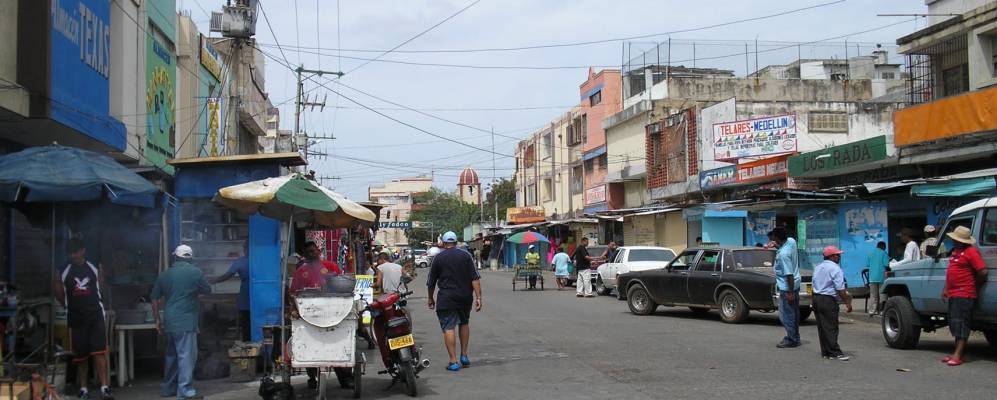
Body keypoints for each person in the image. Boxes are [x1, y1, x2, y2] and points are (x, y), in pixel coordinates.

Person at [54, 239, 113, 400]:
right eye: (70, 252)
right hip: (76, 318)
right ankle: (83, 388)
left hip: (96, 316)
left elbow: (102, 286)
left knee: (99, 353)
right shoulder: (63, 270)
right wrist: (67, 305)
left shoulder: (94, 267)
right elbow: (58, 292)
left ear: (83, 251)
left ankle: (105, 388)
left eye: (76, 251)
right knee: (81, 357)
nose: (73, 255)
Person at [289, 241, 353, 389]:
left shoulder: (331, 266)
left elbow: (342, 285)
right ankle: (312, 377)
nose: (311, 254)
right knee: (309, 346)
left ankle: (345, 378)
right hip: (308, 314)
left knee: (336, 345)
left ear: (318, 251)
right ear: (304, 255)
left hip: (333, 312)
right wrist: (293, 309)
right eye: (308, 252)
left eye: (313, 251)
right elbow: (293, 293)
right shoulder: (300, 272)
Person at [151, 245, 212, 400]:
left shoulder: (164, 274)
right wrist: (193, 292)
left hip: (170, 321)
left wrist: (157, 319)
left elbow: (154, 298)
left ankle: (168, 388)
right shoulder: (195, 272)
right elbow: (207, 290)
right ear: (190, 258)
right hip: (186, 321)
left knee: (171, 356)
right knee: (186, 356)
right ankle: (185, 391)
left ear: (175, 257)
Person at [427, 231, 482, 372]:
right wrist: (479, 297)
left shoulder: (438, 258)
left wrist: (430, 298)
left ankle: (453, 361)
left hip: (446, 298)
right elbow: (475, 278)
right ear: (456, 243)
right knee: (464, 323)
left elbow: (431, 281)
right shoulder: (466, 256)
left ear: (444, 243)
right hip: (465, 297)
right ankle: (464, 355)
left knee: (448, 327)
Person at [941, 226, 988, 366]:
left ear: (962, 241)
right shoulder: (956, 252)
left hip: (964, 293)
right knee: (955, 323)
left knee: (961, 324)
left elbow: (983, 272)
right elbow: (951, 272)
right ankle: (956, 353)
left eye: (955, 239)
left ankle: (958, 355)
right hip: (954, 293)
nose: (953, 241)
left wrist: (974, 285)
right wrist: (946, 288)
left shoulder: (971, 252)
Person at [811, 246, 853, 361]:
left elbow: (814, 284)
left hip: (817, 298)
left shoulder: (818, 267)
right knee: (831, 327)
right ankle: (835, 352)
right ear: (832, 256)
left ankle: (826, 352)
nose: (839, 257)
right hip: (828, 299)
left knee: (822, 326)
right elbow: (840, 289)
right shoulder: (835, 269)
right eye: (837, 255)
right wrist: (847, 303)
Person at [211, 241, 251, 341]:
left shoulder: (241, 261)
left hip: (246, 294)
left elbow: (227, 275)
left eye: (245, 247)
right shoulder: (259, 260)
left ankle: (247, 343)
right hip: (256, 294)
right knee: (252, 322)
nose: (244, 250)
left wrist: (214, 281)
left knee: (246, 322)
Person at [770, 228, 801, 348]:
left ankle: (791, 339)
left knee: (786, 315)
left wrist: (790, 292)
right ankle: (795, 337)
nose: (772, 239)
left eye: (773, 237)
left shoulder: (783, 255)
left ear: (777, 238)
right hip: (795, 284)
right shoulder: (791, 242)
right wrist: (777, 246)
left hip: (787, 287)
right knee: (794, 313)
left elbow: (789, 275)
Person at [866, 241, 890, 315]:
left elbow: (867, 265)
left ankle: (872, 311)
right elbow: (886, 265)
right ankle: (882, 311)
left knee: (873, 295)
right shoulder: (884, 253)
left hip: (872, 277)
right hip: (882, 277)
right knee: (883, 294)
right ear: (883, 247)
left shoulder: (870, 254)